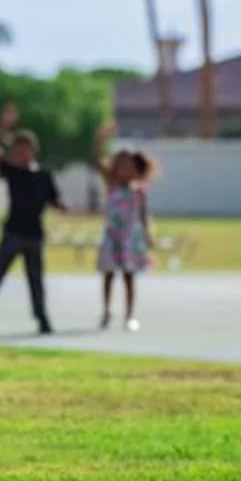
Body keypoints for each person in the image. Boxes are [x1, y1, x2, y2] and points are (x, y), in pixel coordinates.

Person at [0, 103, 67, 335]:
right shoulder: (12, 171)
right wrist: (4, 128)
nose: (23, 153)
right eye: (19, 148)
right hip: (13, 231)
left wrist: (61, 207)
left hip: (34, 233)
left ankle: (41, 317)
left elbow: (53, 199)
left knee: (35, 279)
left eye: (26, 148)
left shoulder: (42, 175)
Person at [92, 123, 156, 332]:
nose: (124, 168)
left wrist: (148, 235)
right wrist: (101, 139)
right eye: (120, 164)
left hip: (130, 238)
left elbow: (143, 215)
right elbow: (97, 159)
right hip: (112, 236)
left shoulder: (138, 190)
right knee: (109, 275)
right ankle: (106, 311)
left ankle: (129, 315)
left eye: (128, 164)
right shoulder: (111, 185)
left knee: (129, 276)